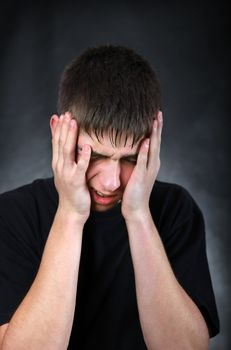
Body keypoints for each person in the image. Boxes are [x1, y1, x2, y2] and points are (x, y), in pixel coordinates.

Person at [0, 45, 219, 349]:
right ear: (60, 133)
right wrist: (71, 215)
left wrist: (139, 215)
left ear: (151, 146)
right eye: (94, 155)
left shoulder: (175, 209)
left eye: (129, 159)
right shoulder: (12, 214)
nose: (111, 181)